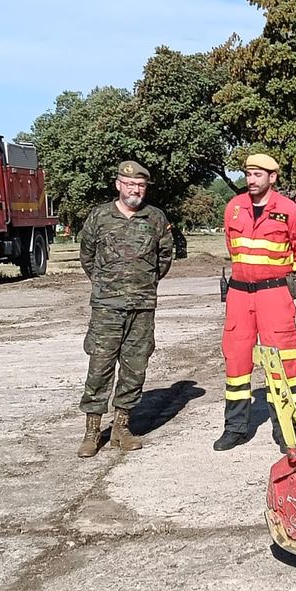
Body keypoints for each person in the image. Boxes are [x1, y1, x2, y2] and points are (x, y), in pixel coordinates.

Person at [75, 161, 175, 457]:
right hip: (107, 306)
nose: (135, 190)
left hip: (142, 306)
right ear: (118, 184)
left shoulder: (155, 218)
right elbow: (87, 255)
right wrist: (107, 284)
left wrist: (143, 283)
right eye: (129, 184)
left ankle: (121, 427)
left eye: (141, 186)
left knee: (135, 366)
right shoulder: (100, 217)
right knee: (100, 366)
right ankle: (93, 430)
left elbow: (164, 257)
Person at [216, 153, 296, 451]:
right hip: (239, 294)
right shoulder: (234, 208)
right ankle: (236, 427)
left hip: (274, 293)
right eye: (248, 174)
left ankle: (286, 430)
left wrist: (281, 273)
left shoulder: (289, 210)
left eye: (258, 174)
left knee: (282, 359)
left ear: (273, 177)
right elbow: (233, 246)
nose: (251, 180)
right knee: (236, 358)